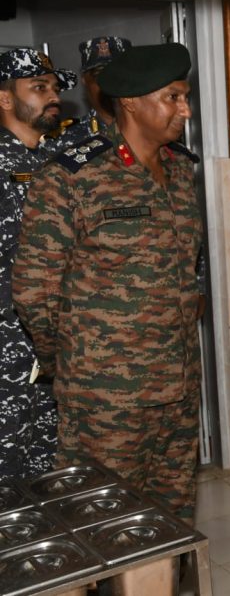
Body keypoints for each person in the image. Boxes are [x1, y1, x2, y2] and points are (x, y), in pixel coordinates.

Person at [13, 42, 203, 521]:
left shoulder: (181, 170)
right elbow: (35, 291)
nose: (185, 108)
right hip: (104, 399)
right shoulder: (72, 177)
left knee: (169, 520)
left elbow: (185, 272)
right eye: (174, 97)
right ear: (133, 102)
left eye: (186, 96)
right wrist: (76, 368)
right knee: (100, 522)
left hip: (178, 388)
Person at [0, 48, 80, 481]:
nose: (53, 96)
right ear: (5, 99)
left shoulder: (59, 163)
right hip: (8, 338)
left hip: (57, 334)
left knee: (52, 454)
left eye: (54, 88)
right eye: (39, 87)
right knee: (7, 456)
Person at [76, 35, 132, 135]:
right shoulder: (65, 143)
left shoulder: (156, 131)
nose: (110, 82)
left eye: (118, 73)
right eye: (99, 75)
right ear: (84, 80)